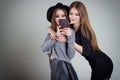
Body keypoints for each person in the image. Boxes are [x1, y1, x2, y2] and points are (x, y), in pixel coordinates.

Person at [48, 1, 113, 80]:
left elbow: (86, 52)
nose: (73, 17)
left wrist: (68, 40)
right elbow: (50, 27)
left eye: (77, 14)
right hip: (94, 64)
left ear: (82, 16)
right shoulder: (70, 28)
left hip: (102, 63)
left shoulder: (84, 30)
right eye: (71, 13)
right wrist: (52, 32)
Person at [41, 3, 78, 80]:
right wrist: (55, 37)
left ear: (66, 17)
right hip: (53, 65)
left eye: (63, 16)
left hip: (62, 65)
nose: (60, 18)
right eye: (57, 16)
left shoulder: (70, 32)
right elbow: (43, 48)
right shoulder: (51, 32)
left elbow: (70, 56)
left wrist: (70, 38)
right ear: (54, 18)